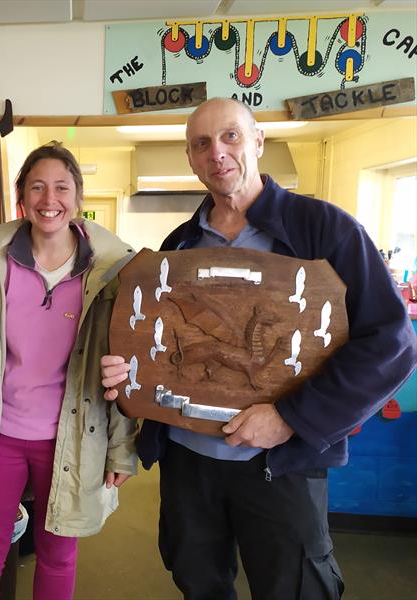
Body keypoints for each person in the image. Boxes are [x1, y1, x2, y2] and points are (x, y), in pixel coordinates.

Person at [101, 98, 417, 600]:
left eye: (230, 137)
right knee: (198, 582)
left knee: (295, 588)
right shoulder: (179, 246)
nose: (217, 153)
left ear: (258, 142)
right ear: (190, 157)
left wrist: (293, 417)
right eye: (202, 144)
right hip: (189, 463)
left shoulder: (325, 231)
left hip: (280, 463)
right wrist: (128, 374)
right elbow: (154, 347)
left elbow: (392, 344)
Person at [0, 142, 138, 600]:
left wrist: (123, 448)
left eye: (62, 187)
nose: (50, 200)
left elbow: (123, 367)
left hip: (73, 435)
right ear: (21, 198)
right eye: (37, 187)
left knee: (58, 554)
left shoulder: (111, 271)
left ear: (78, 197)